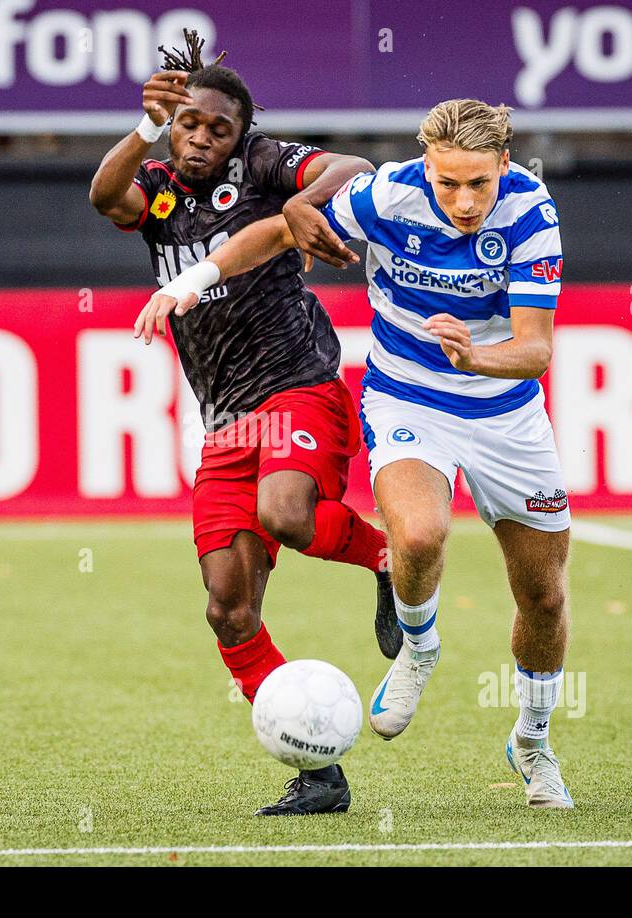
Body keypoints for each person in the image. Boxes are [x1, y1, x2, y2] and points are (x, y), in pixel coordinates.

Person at [135, 99, 576, 809]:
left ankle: (532, 740)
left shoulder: (530, 212)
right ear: (425, 167)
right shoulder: (389, 194)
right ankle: (420, 647)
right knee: (421, 533)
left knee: (544, 596)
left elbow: (536, 350)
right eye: (447, 183)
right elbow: (276, 232)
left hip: (504, 409)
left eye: (479, 185)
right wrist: (191, 281)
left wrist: (475, 356)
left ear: (504, 166)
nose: (463, 201)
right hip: (407, 398)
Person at [89, 31, 399, 816]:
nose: (200, 139)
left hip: (297, 387)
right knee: (228, 607)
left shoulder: (260, 165)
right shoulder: (159, 189)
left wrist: (303, 200)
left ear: (239, 136)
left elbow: (353, 169)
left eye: (216, 129)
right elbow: (103, 197)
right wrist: (141, 129)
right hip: (225, 421)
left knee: (286, 514)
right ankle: (320, 776)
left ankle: (388, 556)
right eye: (189, 123)